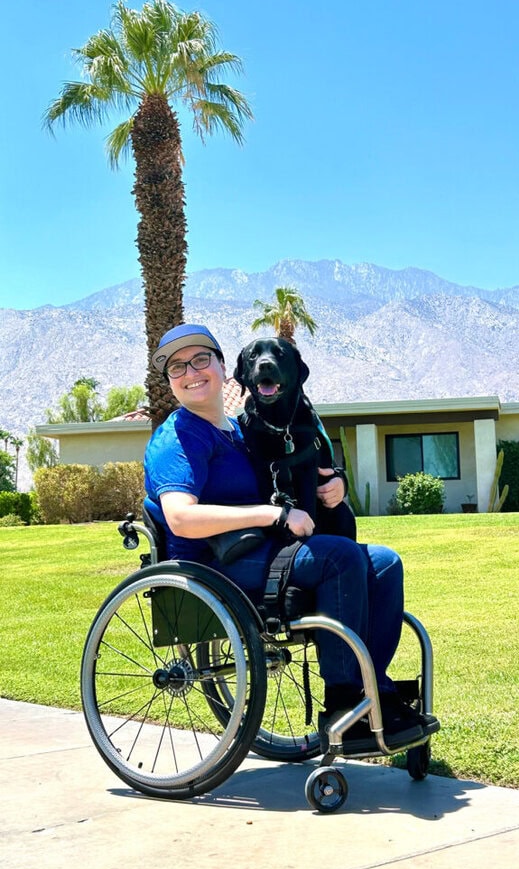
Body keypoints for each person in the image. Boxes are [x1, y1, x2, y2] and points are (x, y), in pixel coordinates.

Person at [144, 322, 439, 752]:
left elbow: (298, 463)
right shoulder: (178, 437)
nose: (191, 372)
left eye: (201, 359)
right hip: (215, 564)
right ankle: (344, 704)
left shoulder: (242, 430)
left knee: (384, 561)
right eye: (177, 367)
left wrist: (334, 483)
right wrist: (276, 513)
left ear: (225, 368)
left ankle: (375, 693)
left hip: (265, 551)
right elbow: (182, 518)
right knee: (338, 557)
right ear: (170, 381)